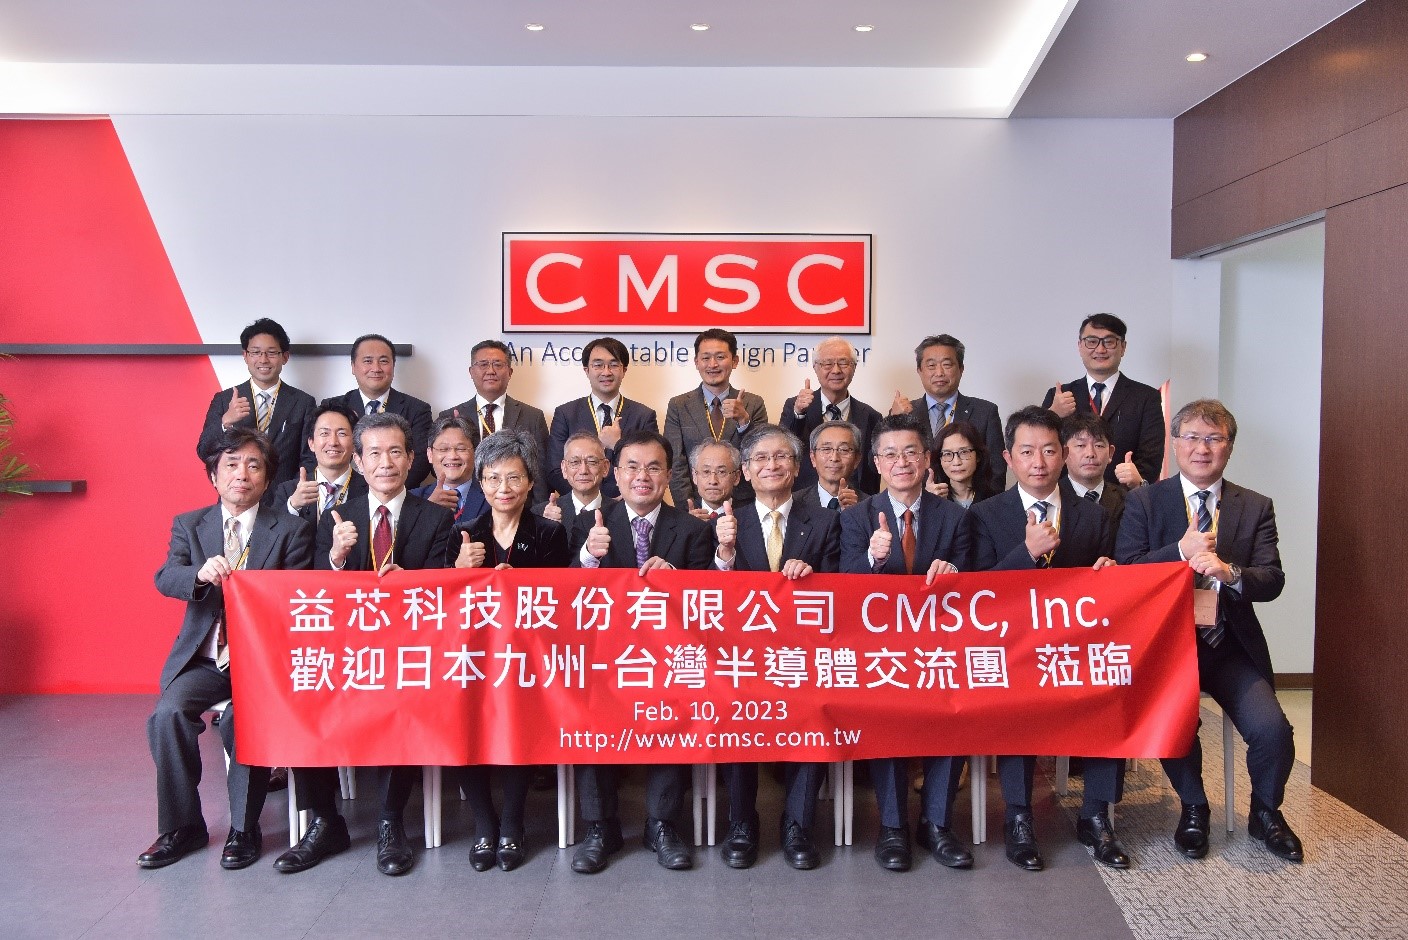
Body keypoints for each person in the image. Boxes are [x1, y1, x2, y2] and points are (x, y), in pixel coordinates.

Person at [1116, 399, 1301, 863]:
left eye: (1214, 439)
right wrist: (1178, 552)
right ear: (1175, 444)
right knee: (1175, 722)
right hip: (1167, 646)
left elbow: (1272, 580)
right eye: (1193, 438)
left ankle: (1266, 813)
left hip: (1228, 645)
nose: (1203, 448)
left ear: (1229, 447)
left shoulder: (1254, 506)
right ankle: (1194, 807)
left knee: (1272, 729)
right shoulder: (1144, 501)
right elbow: (1127, 570)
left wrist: (1230, 572)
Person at [274, 412, 456, 877]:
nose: (385, 463)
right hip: (344, 652)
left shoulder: (437, 518)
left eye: (395, 452)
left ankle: (390, 822)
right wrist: (336, 558)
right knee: (300, 697)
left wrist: (408, 583)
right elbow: (313, 596)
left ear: (412, 459)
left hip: (409, 653)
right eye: (374, 453)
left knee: (402, 696)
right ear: (358, 461)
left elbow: (443, 594)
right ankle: (325, 821)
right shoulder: (334, 518)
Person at [139, 427, 313, 871]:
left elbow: (297, 600)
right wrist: (199, 575)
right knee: (167, 715)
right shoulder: (190, 524)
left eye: (254, 465)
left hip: (264, 662)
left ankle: (244, 828)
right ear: (214, 477)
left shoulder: (291, 529)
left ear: (267, 479)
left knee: (242, 720)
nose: (242, 474)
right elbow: (166, 577)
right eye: (231, 465)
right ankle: (182, 826)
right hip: (205, 659)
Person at [963, 406, 1129, 871]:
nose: (1039, 462)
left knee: (1109, 689)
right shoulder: (985, 515)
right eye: (1027, 451)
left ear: (1065, 455)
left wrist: (1111, 572)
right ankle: (1019, 817)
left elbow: (1111, 587)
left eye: (1050, 450)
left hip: (1077, 648)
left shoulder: (1093, 516)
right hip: (1013, 650)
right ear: (1008, 458)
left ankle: (1096, 815)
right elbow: (976, 594)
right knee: (1015, 700)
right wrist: (1024, 553)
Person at [567, 430, 714, 874]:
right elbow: (563, 597)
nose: (642, 476)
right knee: (586, 711)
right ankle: (600, 826)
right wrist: (587, 558)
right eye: (632, 466)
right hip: (603, 657)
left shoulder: (692, 529)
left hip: (668, 658)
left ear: (668, 475)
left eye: (653, 467)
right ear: (615, 474)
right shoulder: (587, 523)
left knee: (678, 707)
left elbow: (709, 605)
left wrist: (677, 581)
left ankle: (661, 824)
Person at [838, 413, 972, 873]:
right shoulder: (855, 518)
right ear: (876, 463)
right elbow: (841, 587)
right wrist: (871, 560)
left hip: (941, 649)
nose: (901, 462)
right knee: (887, 718)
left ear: (927, 459)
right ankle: (893, 826)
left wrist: (955, 574)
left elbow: (977, 587)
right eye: (890, 454)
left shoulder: (954, 517)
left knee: (955, 714)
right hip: (878, 653)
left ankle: (937, 824)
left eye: (911, 452)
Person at [713, 425, 840, 870]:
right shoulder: (726, 523)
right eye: (760, 459)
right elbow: (704, 598)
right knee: (731, 710)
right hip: (740, 656)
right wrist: (725, 553)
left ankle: (798, 824)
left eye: (781, 457)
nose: (772, 465)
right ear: (745, 471)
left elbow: (843, 591)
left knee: (818, 710)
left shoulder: (825, 521)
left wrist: (815, 578)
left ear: (797, 466)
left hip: (805, 656)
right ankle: (742, 822)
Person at [451, 430, 571, 872]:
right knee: (460, 721)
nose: (504, 488)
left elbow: (559, 603)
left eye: (514, 478)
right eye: (494, 478)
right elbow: (441, 605)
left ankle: (512, 824)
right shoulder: (462, 533)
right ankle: (484, 824)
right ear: (481, 482)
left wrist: (519, 584)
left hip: (528, 660)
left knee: (520, 721)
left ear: (530, 481)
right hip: (472, 658)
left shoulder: (550, 533)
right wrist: (458, 570)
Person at [196, 318, 316, 503]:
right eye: (256, 352)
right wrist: (225, 422)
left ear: (285, 357)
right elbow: (204, 451)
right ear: (245, 356)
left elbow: (310, 458)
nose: (263, 359)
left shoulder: (303, 402)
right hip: (236, 498)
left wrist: (290, 496)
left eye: (271, 353)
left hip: (284, 503)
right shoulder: (224, 400)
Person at [1041, 313, 1165, 487]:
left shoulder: (1146, 397)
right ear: (1080, 346)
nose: (1100, 350)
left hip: (1123, 497)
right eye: (1092, 341)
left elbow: (1151, 459)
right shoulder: (1060, 395)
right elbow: (1042, 449)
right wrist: (1053, 414)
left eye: (1109, 341)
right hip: (1067, 497)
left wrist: (1130, 485)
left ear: (1123, 347)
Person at [664, 329, 768, 508]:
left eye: (720, 357)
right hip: (697, 508)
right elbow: (676, 461)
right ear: (696, 362)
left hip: (744, 505)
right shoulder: (679, 405)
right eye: (705, 358)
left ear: (734, 361)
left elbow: (760, 456)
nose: (712, 364)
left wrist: (744, 421)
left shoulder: (753, 403)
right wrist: (688, 508)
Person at [438, 339, 551, 503]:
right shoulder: (451, 416)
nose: (491, 371)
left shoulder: (533, 417)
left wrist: (539, 511)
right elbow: (440, 467)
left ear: (510, 372)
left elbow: (539, 473)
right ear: (471, 371)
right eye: (483, 364)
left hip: (516, 505)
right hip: (464, 505)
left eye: (498, 364)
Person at [890, 334, 1005, 493]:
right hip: (916, 503)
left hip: (969, 504)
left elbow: (997, 472)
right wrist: (894, 420)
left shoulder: (985, 412)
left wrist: (974, 504)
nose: (939, 373)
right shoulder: (904, 413)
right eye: (931, 365)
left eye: (947, 364)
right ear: (919, 371)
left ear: (961, 369)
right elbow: (877, 463)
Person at [546, 337, 659, 500]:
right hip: (581, 506)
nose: (606, 372)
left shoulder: (644, 416)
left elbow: (652, 466)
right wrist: (590, 499)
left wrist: (618, 444)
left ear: (624, 370)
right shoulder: (566, 414)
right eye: (598, 365)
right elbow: (555, 470)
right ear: (586, 370)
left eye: (613, 365)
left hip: (628, 505)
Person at [323, 333, 434, 487]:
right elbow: (324, 455)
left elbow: (419, 463)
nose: (376, 368)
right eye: (368, 361)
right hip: (345, 493)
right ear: (353, 366)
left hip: (398, 493)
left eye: (383, 361)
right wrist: (358, 493)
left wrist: (385, 489)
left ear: (393, 366)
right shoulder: (333, 407)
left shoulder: (417, 410)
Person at [778, 336, 882, 494]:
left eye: (843, 363)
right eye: (828, 363)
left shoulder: (871, 416)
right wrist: (798, 414)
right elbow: (783, 450)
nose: (836, 370)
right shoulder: (795, 407)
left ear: (854, 367)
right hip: (806, 501)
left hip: (857, 502)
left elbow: (875, 466)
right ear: (815, 367)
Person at [271, 403, 366, 526]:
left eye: (341, 433)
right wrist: (293, 506)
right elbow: (271, 533)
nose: (333, 442)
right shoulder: (288, 490)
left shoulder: (370, 489)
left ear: (354, 444)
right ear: (311, 443)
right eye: (324, 433)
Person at [409, 415, 489, 524]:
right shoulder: (410, 500)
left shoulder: (492, 497)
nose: (452, 456)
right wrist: (428, 510)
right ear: (430, 454)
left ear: (475, 453)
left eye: (461, 448)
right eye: (443, 449)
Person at [1060, 412, 1126, 531]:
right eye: (1081, 445)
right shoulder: (1052, 497)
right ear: (1064, 453)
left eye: (1099, 445)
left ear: (1110, 453)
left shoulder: (1126, 500)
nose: (1090, 453)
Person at [534, 430, 609, 533]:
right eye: (575, 462)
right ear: (564, 469)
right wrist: (546, 530)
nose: (583, 470)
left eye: (592, 462)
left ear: (605, 467)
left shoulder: (623, 513)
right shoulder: (539, 515)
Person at [793, 422, 866, 515]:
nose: (834, 458)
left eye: (844, 450)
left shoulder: (870, 507)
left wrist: (856, 516)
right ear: (813, 458)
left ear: (857, 460)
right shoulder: (793, 503)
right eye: (826, 449)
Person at [926, 420, 1001, 509]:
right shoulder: (931, 499)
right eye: (948, 454)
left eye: (964, 452)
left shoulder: (995, 501)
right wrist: (928, 503)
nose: (957, 462)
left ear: (978, 456)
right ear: (939, 460)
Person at [686, 440, 741, 519]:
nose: (713, 481)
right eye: (706, 472)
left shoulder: (751, 515)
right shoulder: (682, 517)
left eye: (721, 472)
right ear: (694, 476)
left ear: (736, 477)